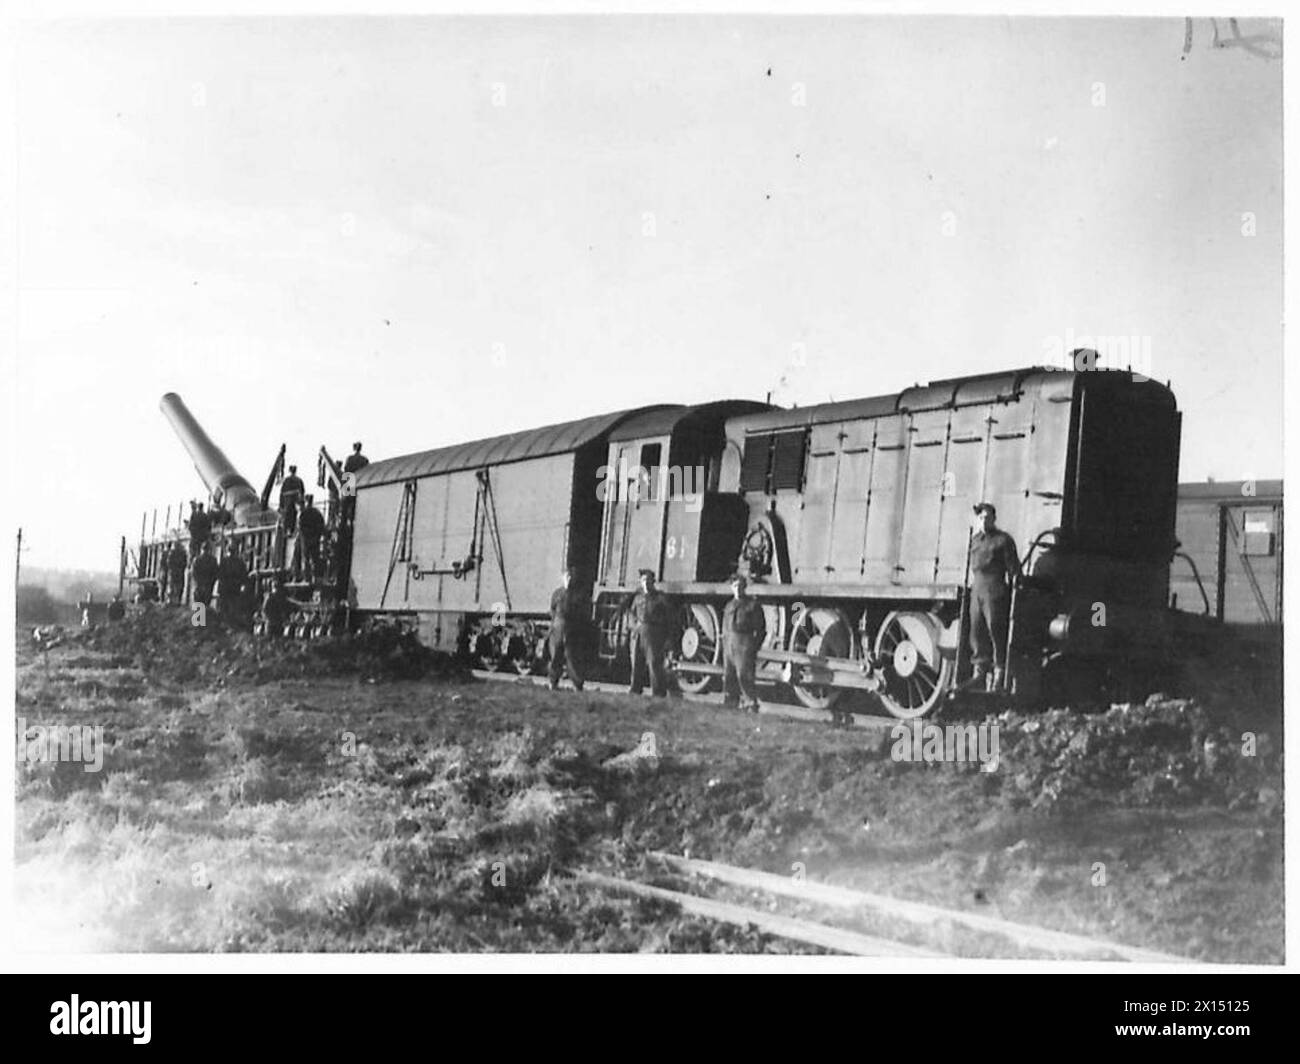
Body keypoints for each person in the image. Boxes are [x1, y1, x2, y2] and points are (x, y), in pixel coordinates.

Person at [966, 502, 1020, 692]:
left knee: (996, 630)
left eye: (988, 517)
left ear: (994, 519)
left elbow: (1014, 570)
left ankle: (999, 673)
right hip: (977, 589)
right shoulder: (974, 540)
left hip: (994, 589)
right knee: (976, 630)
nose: (985, 521)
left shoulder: (1003, 540)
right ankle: (979, 672)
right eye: (981, 518)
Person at [721, 571, 766, 713]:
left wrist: (753, 646)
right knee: (729, 674)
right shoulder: (729, 605)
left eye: (740, 586)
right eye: (735, 586)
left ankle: (750, 703)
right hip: (729, 643)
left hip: (744, 643)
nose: (737, 589)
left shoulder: (752, 605)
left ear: (744, 587)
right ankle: (731, 701)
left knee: (744, 675)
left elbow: (761, 629)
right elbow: (724, 626)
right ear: (731, 588)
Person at [628, 568, 673, 697]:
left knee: (654, 663)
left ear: (653, 582)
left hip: (654, 634)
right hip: (639, 633)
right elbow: (631, 614)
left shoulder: (660, 598)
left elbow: (668, 618)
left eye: (648, 580)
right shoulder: (637, 598)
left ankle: (658, 692)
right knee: (636, 662)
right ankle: (635, 689)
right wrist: (634, 626)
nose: (646, 583)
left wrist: (667, 637)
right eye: (643, 580)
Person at [547, 567, 589, 691]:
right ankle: (553, 682)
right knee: (555, 657)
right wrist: (555, 624)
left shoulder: (578, 595)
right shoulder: (557, 594)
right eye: (567, 577)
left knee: (572, 658)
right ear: (563, 578)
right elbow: (552, 609)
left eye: (571, 577)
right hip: (558, 629)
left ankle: (577, 684)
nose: (569, 580)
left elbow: (582, 613)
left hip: (571, 630)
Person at [216, 543, 250, 624]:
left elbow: (219, 574)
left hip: (226, 588)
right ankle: (230, 624)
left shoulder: (224, 561)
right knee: (232, 608)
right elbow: (244, 576)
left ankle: (223, 623)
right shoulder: (239, 562)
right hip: (234, 588)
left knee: (224, 608)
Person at [298, 496, 326, 582]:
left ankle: (307, 577)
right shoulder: (316, 513)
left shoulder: (304, 513)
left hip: (307, 539)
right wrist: (318, 535)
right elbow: (321, 525)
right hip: (315, 539)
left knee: (306, 559)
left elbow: (300, 526)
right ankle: (315, 577)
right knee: (315, 558)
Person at [191, 542, 218, 608]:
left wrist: (198, 583)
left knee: (199, 607)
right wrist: (211, 583)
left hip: (199, 586)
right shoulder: (213, 560)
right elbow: (215, 574)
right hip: (208, 586)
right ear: (209, 550)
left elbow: (193, 573)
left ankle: (199, 618)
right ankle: (204, 617)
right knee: (206, 605)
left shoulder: (197, 559)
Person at [279, 465, 305, 534]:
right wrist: (302, 504)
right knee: (293, 517)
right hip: (295, 502)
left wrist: (281, 504)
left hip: (287, 502)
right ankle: (291, 531)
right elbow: (302, 493)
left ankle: (285, 531)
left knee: (287, 517)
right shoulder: (299, 480)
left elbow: (282, 493)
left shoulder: (286, 480)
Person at [166, 539, 188, 604]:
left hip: (173, 573)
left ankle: (171, 600)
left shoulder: (171, 553)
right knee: (179, 587)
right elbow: (185, 563)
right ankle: (178, 600)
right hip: (180, 573)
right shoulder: (183, 553)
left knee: (172, 586)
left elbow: (168, 563)